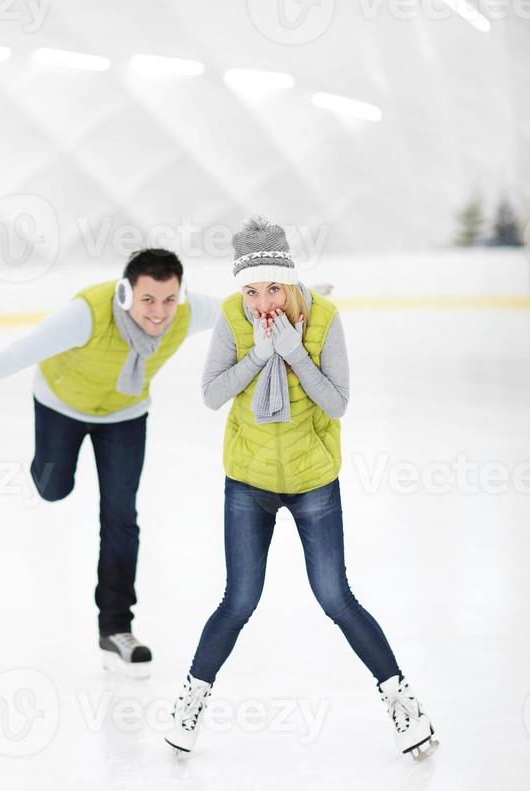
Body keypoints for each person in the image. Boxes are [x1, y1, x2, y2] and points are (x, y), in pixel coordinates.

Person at [164, 217, 438, 759]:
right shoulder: (231, 317)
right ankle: (190, 702)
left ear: (289, 281)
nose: (262, 301)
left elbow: (336, 402)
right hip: (249, 481)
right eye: (250, 289)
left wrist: (293, 353)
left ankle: (403, 705)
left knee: (335, 596)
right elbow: (212, 394)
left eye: (272, 287)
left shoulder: (326, 319)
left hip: (313, 481)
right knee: (239, 600)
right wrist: (259, 355)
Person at [0, 249, 221, 678]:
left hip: (125, 415)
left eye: (169, 299)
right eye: (148, 299)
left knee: (121, 517)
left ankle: (116, 629)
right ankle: (46, 470)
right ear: (125, 291)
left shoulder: (187, 313)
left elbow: (242, 306)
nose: (159, 312)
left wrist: (300, 305)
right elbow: (4, 360)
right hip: (61, 406)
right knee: (53, 488)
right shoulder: (86, 315)